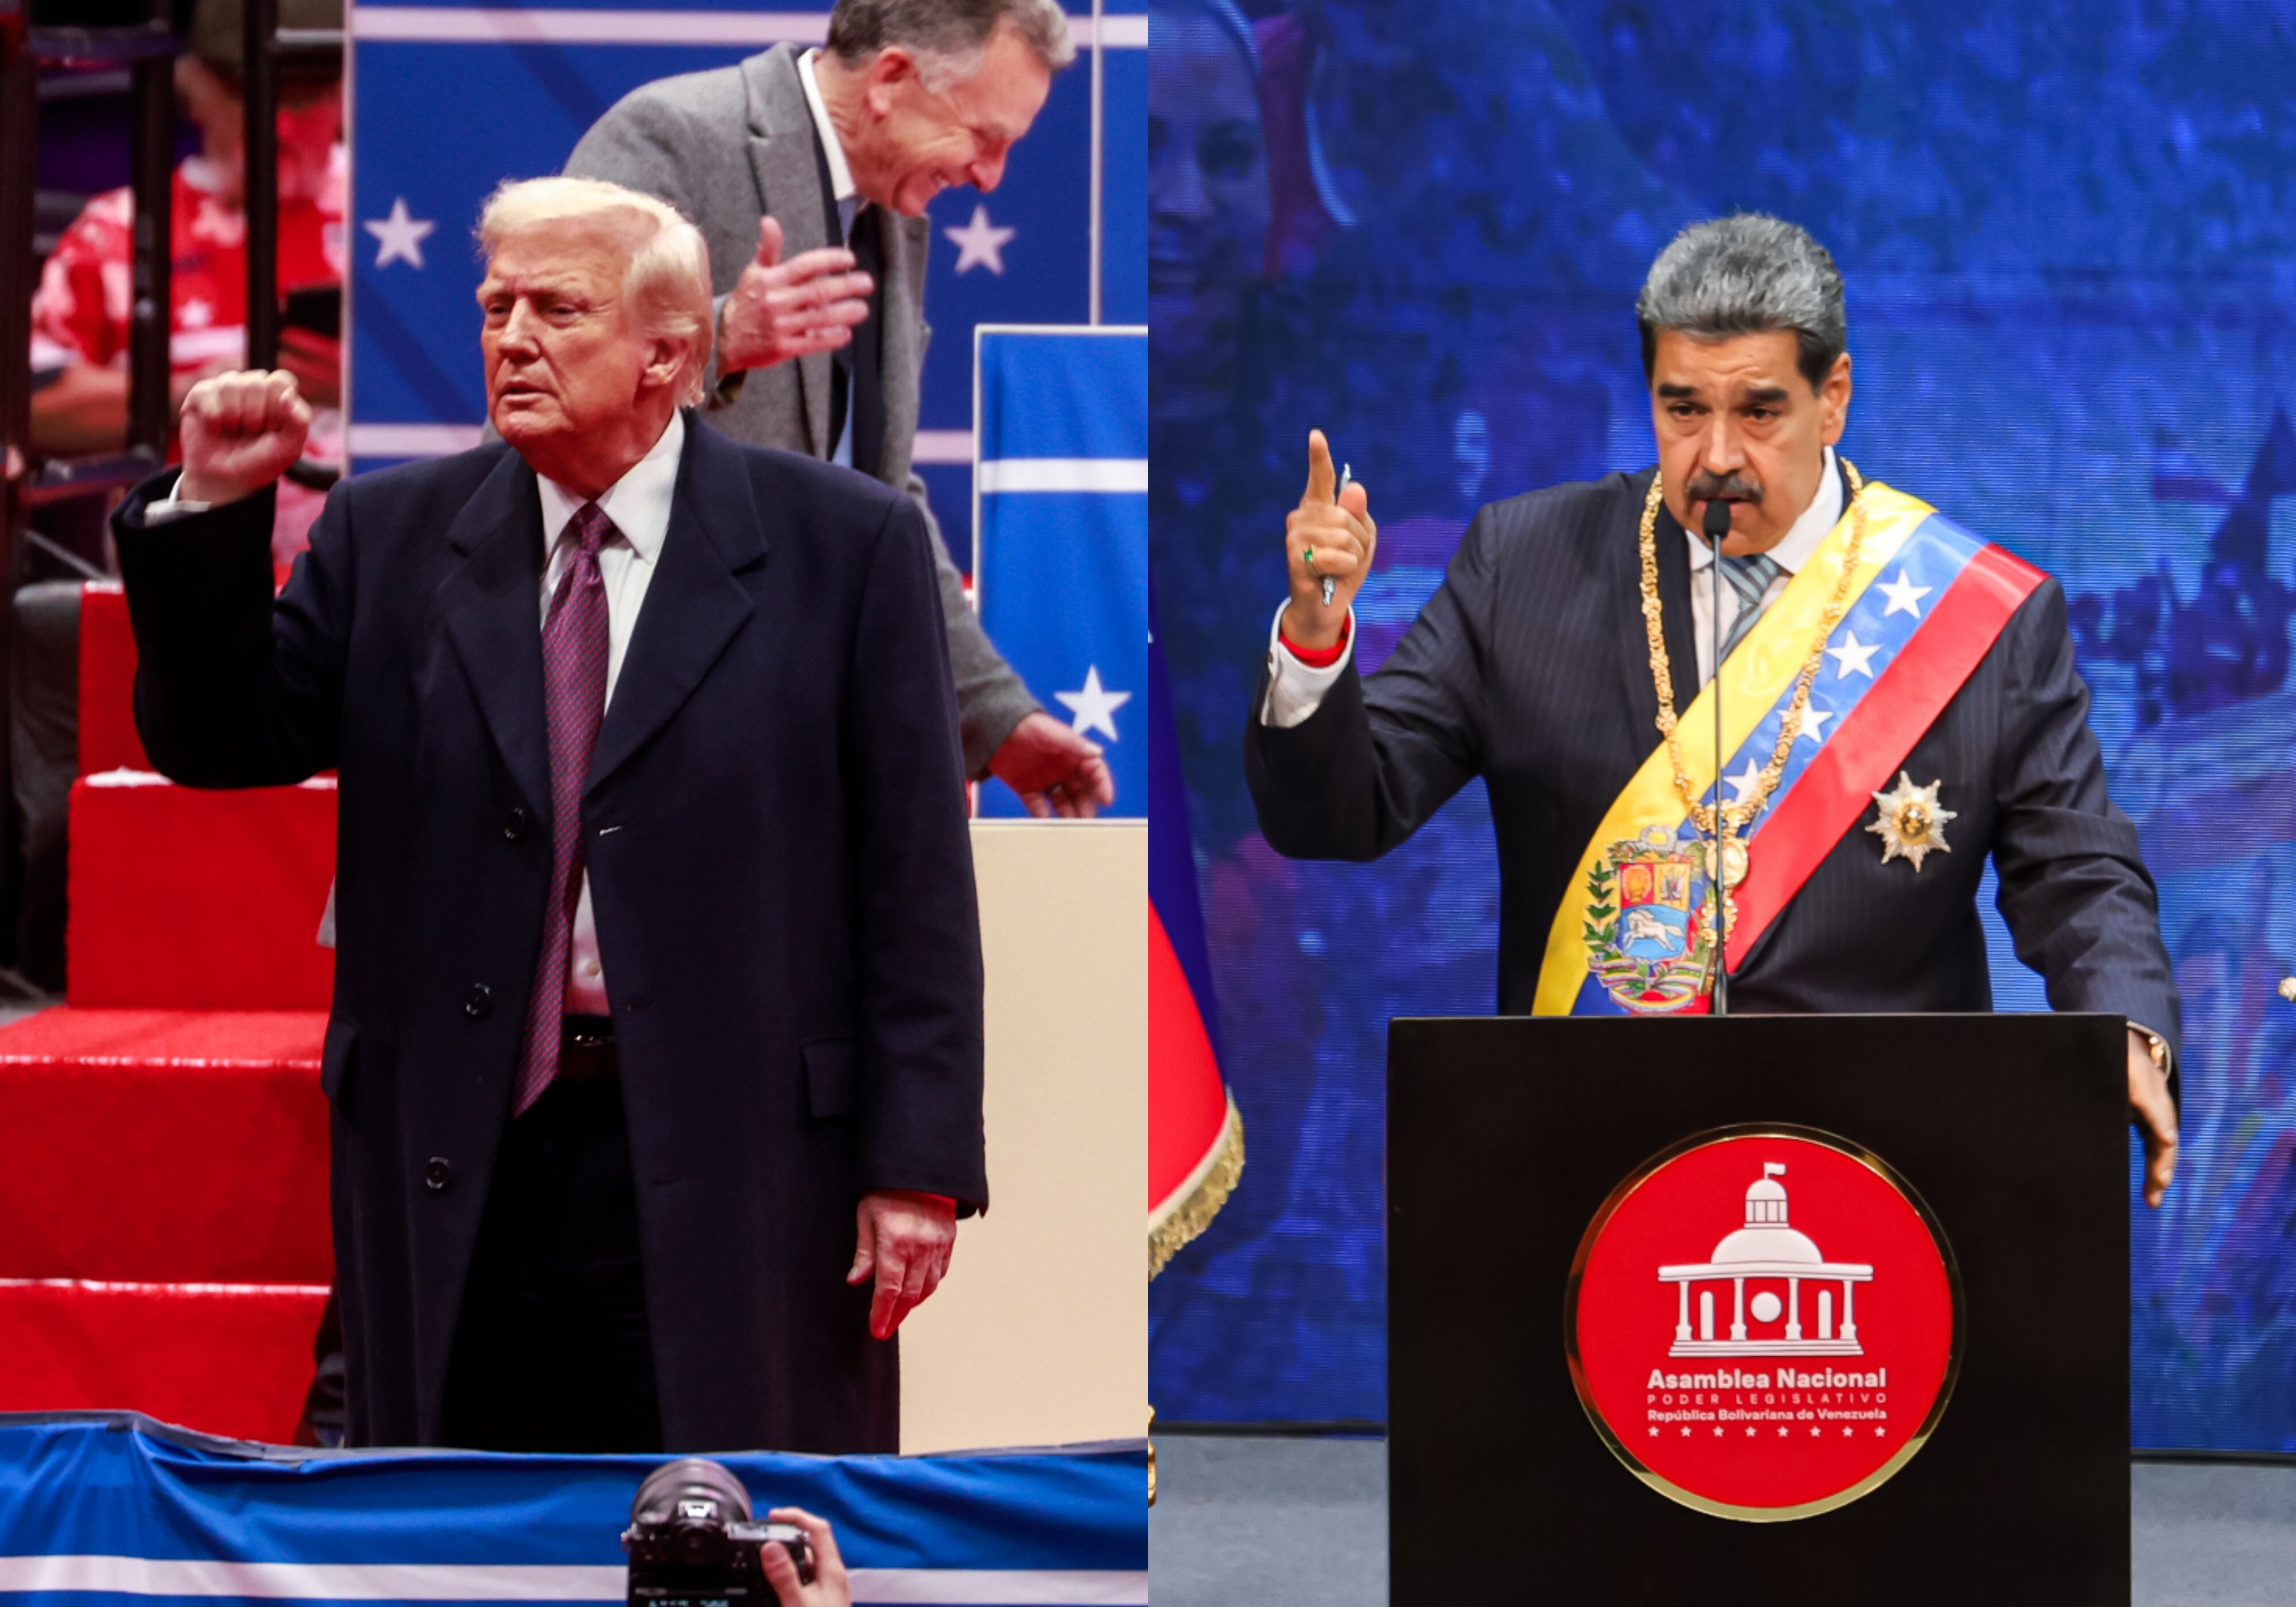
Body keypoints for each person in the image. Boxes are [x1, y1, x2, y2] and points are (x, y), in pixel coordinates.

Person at [114, 176, 985, 1452]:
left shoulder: (843, 546)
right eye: (494, 306)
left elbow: (913, 881)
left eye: (556, 310)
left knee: (723, 1525)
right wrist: (214, 514)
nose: (510, 338)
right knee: (460, 1538)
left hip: (737, 1150)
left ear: (670, 354)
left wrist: (915, 1162)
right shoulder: (390, 533)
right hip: (465, 1146)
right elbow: (217, 740)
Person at [1246, 213, 2185, 1208]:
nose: (1718, 457)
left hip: (1886, 1185)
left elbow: (2078, 871)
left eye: (1761, 412)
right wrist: (1314, 639)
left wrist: (2127, 1030)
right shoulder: (1519, 567)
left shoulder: (1981, 615)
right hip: (1589, 1180)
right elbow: (1337, 816)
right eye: (1682, 409)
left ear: (1835, 399)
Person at [565, 0, 1111, 820]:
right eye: (985, 137)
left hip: (782, 763)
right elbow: (545, 390)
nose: (991, 176)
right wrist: (719, 337)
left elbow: (878, 504)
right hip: (632, 756)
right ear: (891, 79)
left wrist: (999, 720)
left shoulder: (892, 212)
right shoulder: (667, 137)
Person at [30, 0, 345, 564]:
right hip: (186, 572)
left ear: (348, 90)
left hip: (373, 578)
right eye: (251, 95)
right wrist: (191, 393)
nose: (283, 124)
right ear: (193, 86)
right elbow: (32, 401)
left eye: (308, 97)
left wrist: (365, 389)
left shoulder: (396, 219)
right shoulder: (122, 230)